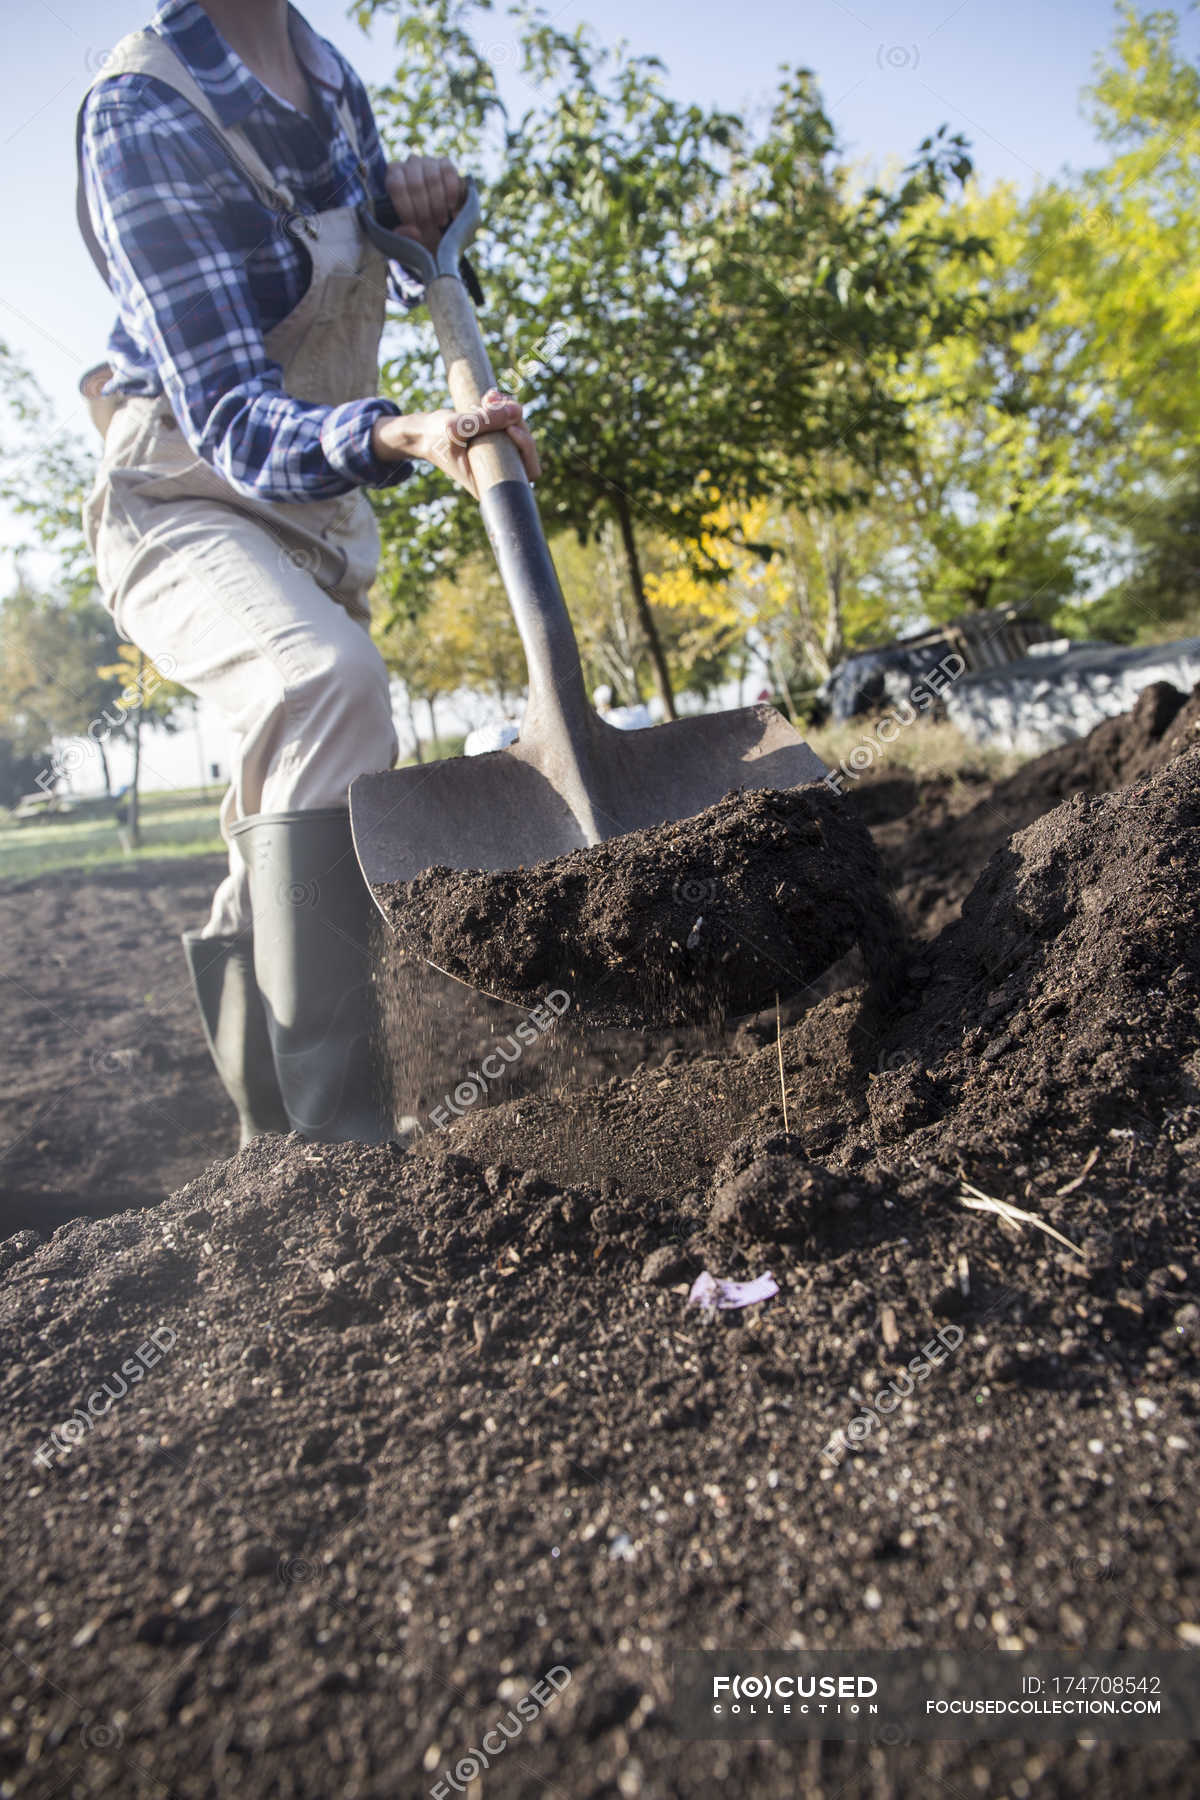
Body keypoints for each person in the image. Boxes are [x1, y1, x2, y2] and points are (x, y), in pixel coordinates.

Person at [76, 0, 539, 1145]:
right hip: (183, 501)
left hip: (314, 513)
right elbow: (232, 414)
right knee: (324, 684)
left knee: (286, 798)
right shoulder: (139, 106)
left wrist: (402, 203)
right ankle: (342, 1154)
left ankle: (271, 1158)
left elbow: (339, 245)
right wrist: (397, 434)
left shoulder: (327, 77)